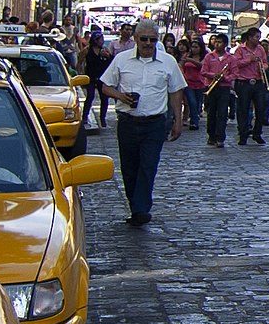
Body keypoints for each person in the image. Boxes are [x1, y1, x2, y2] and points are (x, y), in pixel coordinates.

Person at [98, 19, 186, 227]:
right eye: (144, 39)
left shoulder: (168, 62)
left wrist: (178, 120)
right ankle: (134, 204)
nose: (148, 43)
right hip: (128, 122)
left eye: (152, 40)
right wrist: (121, 96)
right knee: (129, 167)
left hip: (155, 123)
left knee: (148, 165)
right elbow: (105, 86)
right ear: (136, 39)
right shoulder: (121, 60)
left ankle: (141, 208)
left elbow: (176, 91)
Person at [229, 26, 269, 146]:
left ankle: (257, 133)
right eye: (256, 37)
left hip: (258, 82)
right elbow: (235, 64)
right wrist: (249, 60)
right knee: (243, 110)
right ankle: (243, 134)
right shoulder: (240, 49)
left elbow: (266, 62)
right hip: (244, 82)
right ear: (250, 37)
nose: (258, 40)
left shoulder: (260, 49)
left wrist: (263, 67)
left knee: (261, 109)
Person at [201, 32, 234, 146]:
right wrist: (213, 75)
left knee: (222, 112)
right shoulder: (209, 56)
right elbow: (203, 71)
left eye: (220, 42)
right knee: (211, 112)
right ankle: (211, 135)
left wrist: (226, 78)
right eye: (216, 42)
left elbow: (235, 73)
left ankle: (220, 137)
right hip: (211, 86)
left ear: (225, 44)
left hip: (224, 88)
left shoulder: (230, 58)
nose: (217, 44)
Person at [82, 30, 115, 128]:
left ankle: (103, 119)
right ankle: (84, 117)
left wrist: (108, 56)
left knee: (104, 99)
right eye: (100, 39)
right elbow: (80, 62)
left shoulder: (104, 50)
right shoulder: (87, 50)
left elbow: (112, 62)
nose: (102, 41)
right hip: (91, 76)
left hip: (102, 77)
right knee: (90, 97)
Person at [178, 35, 207, 130]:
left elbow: (201, 66)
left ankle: (195, 119)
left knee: (198, 103)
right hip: (188, 83)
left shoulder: (204, 57)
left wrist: (190, 60)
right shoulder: (186, 55)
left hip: (200, 83)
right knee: (192, 102)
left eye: (196, 47)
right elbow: (180, 66)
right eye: (192, 47)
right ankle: (194, 121)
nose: (194, 49)